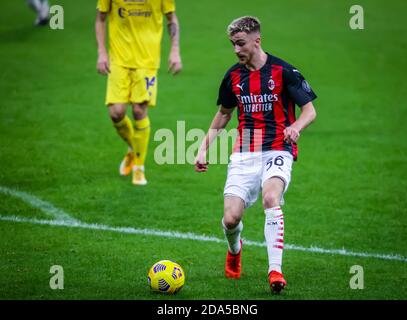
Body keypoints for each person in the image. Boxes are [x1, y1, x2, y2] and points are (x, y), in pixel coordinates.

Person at [195, 16, 317, 293]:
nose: (236, 49)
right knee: (230, 219)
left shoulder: (285, 72)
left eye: (241, 43)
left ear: (257, 40)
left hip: (278, 147)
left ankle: (275, 271)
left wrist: (296, 127)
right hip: (244, 153)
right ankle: (235, 250)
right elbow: (224, 114)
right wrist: (203, 148)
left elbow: (309, 111)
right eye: (233, 44)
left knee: (271, 198)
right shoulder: (233, 77)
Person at [95, 0, 182, 185]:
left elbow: (171, 18)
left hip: (147, 61)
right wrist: (102, 53)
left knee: (139, 111)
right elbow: (100, 19)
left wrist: (175, 51)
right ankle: (134, 148)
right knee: (116, 113)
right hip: (118, 59)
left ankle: (139, 168)